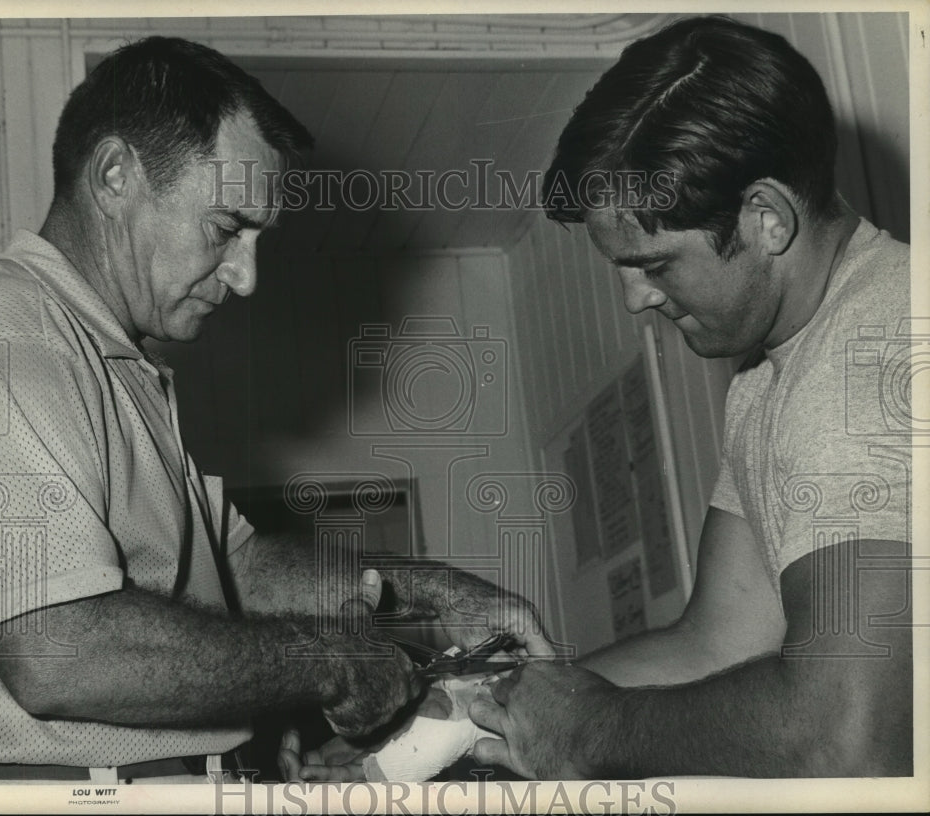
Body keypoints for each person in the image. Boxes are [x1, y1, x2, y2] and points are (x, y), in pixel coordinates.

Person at [283, 15, 913, 780]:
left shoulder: (874, 349)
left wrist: (592, 730)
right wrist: (445, 722)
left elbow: (847, 735)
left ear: (767, 218)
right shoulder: (769, 380)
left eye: (654, 264)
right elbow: (714, 643)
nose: (635, 301)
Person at [0, 36, 549, 784]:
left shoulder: (115, 363)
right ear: (115, 176)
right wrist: (329, 660)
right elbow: (55, 652)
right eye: (227, 229)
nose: (245, 278)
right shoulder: (7, 334)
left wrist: (434, 593)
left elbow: (239, 568)